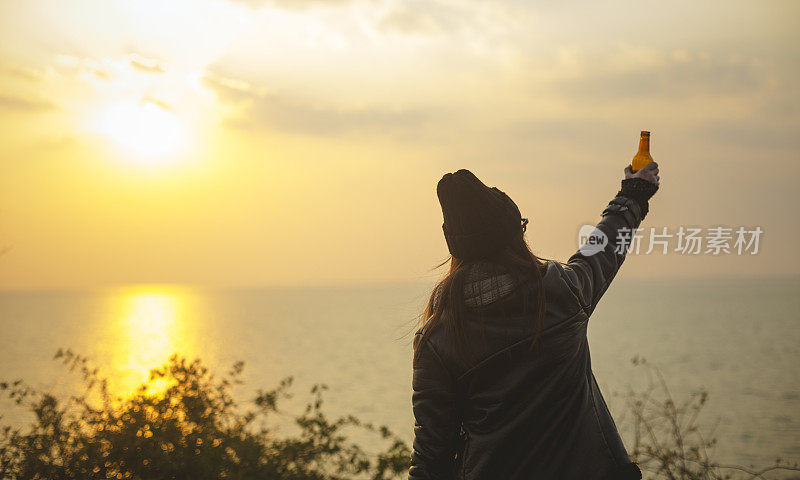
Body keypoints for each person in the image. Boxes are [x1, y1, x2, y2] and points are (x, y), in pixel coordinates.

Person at [410, 162, 660, 480]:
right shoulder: (562, 293)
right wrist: (634, 194)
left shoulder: (438, 340)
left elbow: (430, 458)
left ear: (456, 250)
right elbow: (606, 244)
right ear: (516, 234)